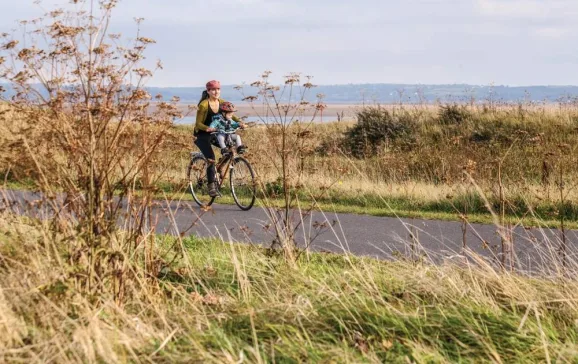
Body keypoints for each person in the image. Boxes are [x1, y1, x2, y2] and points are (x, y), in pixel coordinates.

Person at [194, 80, 244, 197]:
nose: (216, 92)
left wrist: (240, 122)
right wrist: (208, 128)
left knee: (229, 147)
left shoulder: (222, 102)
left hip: (217, 132)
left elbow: (231, 115)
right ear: (208, 91)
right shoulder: (204, 105)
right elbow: (198, 124)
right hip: (202, 134)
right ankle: (211, 186)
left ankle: (220, 167)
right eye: (213, 90)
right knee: (211, 158)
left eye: (218, 89)